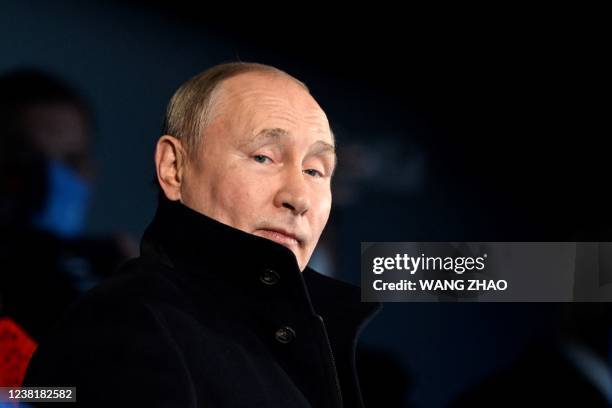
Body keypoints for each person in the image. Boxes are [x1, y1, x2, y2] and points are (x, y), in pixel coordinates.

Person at [23, 62, 382, 407]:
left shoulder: (315, 345)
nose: (299, 197)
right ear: (174, 168)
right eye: (263, 158)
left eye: (316, 171)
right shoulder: (126, 325)